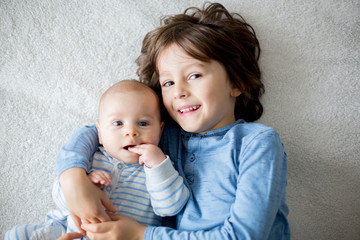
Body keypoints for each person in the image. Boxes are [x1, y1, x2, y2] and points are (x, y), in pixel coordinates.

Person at [56, 2, 290, 240]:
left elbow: (245, 235)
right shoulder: (163, 135)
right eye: (168, 83)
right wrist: (72, 176)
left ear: (236, 82)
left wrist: (140, 235)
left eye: (194, 75)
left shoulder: (257, 143)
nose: (179, 91)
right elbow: (98, 131)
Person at [5, 80, 189, 240]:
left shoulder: (160, 167)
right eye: (118, 123)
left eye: (143, 123)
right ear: (100, 133)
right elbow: (61, 197)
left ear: (160, 130)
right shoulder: (92, 158)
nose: (131, 132)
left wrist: (158, 165)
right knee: (17, 235)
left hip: (124, 236)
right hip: (68, 229)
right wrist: (86, 182)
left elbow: (170, 207)